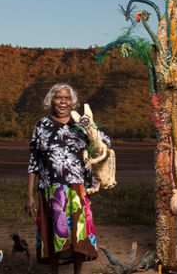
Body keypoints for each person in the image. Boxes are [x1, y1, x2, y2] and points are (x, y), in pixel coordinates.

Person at [25, 83, 110, 274]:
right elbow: (34, 162)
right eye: (58, 97)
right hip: (50, 189)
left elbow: (104, 144)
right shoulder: (42, 125)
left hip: (76, 188)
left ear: (72, 102)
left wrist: (91, 129)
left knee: (79, 235)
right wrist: (29, 195)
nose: (62, 102)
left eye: (67, 98)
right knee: (54, 235)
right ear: (51, 100)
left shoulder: (81, 125)